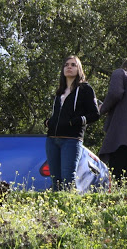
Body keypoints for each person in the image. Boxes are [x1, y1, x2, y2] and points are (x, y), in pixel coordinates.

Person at [45, 55, 100, 191]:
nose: (69, 67)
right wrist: (48, 122)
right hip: (52, 139)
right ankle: (54, 211)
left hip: (71, 139)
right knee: (55, 180)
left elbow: (95, 114)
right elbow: (56, 115)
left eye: (73, 65)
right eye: (66, 65)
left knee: (67, 179)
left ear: (79, 69)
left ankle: (68, 209)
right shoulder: (59, 92)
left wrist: (76, 121)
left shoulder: (85, 89)